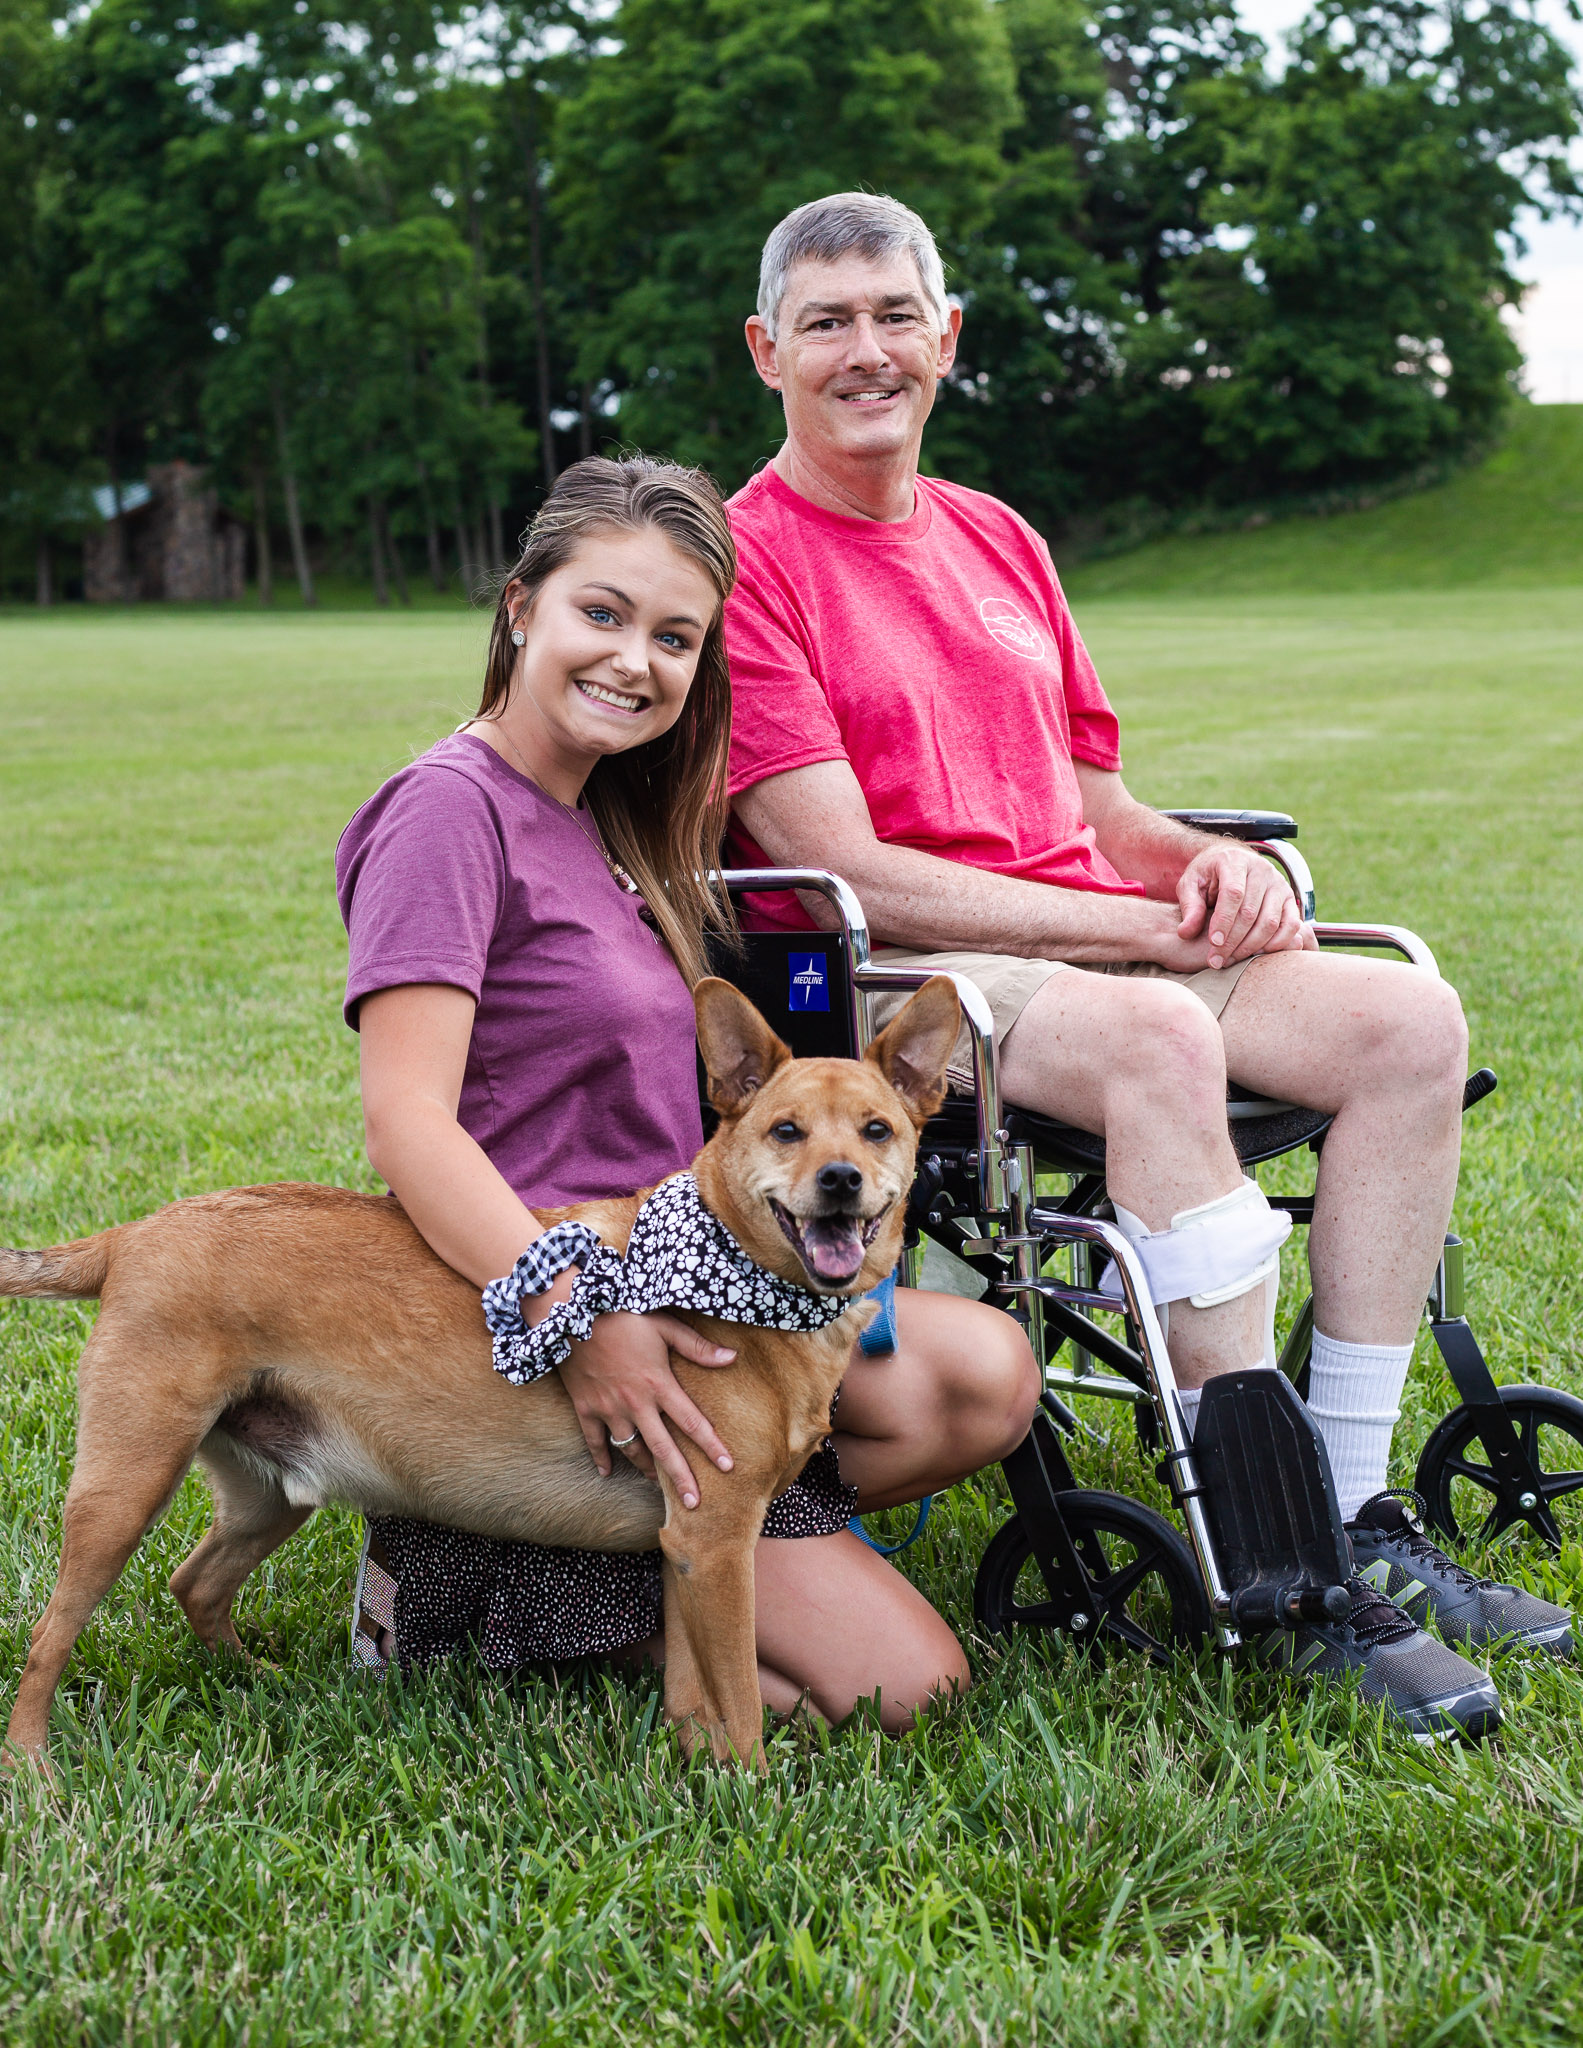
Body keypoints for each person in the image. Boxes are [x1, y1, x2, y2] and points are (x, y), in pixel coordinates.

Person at [721, 192, 1572, 1738]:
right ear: (768, 351)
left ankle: (1357, 1505)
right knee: (1156, 1041)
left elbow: (1092, 807)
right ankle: (1276, 1576)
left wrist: (1200, 868)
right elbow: (836, 864)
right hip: (918, 983)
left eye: (894, 315)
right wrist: (1132, 930)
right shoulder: (745, 558)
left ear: (946, 336)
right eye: (828, 323)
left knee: (1403, 1017)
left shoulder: (997, 535)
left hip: (1089, 941)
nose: (866, 352)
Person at [334, 454, 1039, 1730]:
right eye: (599, 613)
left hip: (692, 1276)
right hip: (537, 1311)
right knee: (903, 1692)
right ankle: (462, 1562)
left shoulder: (612, 813)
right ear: (518, 607)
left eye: (674, 635)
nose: (633, 660)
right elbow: (407, 1122)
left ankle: (694, 1529)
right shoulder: (451, 811)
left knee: (978, 1372)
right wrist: (583, 1317)